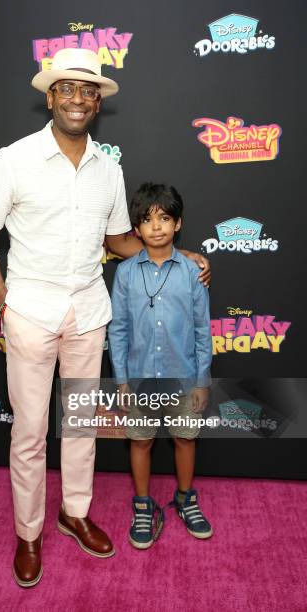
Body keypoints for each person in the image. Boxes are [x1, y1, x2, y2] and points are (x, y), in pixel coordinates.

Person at [0, 48, 211, 587]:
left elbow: (118, 239)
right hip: (30, 311)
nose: (78, 99)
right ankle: (29, 532)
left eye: (89, 90)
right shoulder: (14, 159)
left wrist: (183, 255)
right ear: (49, 96)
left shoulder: (109, 168)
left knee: (80, 425)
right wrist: (4, 303)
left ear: (98, 102)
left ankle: (73, 512)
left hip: (88, 313)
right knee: (30, 433)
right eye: (67, 89)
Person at [108, 182, 213, 550]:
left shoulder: (191, 272)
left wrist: (201, 381)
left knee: (185, 439)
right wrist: (121, 381)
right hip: (138, 380)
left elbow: (202, 329)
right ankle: (142, 504)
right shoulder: (124, 274)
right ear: (136, 228)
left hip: (183, 378)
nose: (157, 227)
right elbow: (117, 330)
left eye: (165, 218)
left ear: (178, 223)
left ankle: (186, 498)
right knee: (141, 443)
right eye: (148, 220)